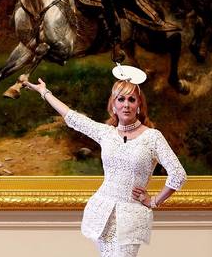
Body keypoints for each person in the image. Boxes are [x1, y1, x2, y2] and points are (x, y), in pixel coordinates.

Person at [23, 66, 186, 257]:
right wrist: (44, 92)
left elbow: (178, 174)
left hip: (131, 217)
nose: (126, 105)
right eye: (121, 99)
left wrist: (154, 201)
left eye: (132, 100)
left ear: (139, 105)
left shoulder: (152, 137)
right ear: (113, 106)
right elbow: (72, 117)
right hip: (102, 212)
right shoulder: (106, 133)